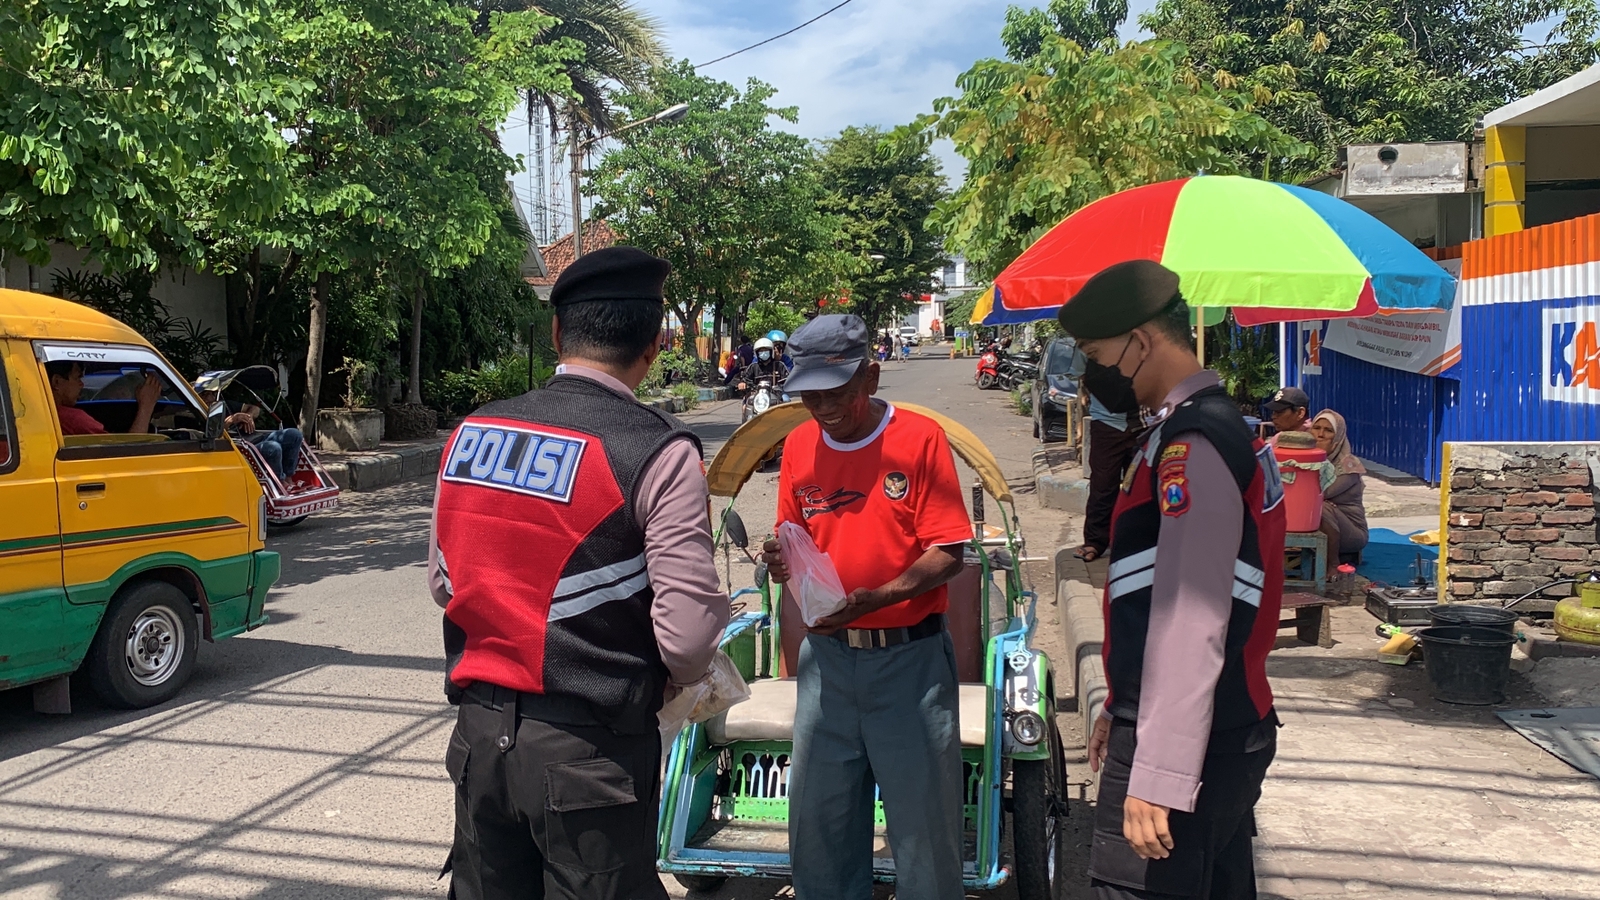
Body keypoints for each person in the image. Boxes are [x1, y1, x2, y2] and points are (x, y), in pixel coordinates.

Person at [429, 246, 731, 900]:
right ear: (656, 345)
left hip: (479, 744)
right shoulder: (658, 450)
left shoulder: (472, 432)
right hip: (590, 762)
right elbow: (686, 642)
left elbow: (444, 585)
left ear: (558, 332)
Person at [1057, 260, 1286, 900]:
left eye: (1098, 354)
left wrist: (1156, 771)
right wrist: (1122, 709)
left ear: (1143, 341)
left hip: (1198, 741)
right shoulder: (1197, 431)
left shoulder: (1195, 443)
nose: (1091, 376)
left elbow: (1194, 615)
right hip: (1199, 726)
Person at [760, 314, 973, 900]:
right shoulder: (799, 446)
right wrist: (780, 561)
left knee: (925, 839)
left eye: (837, 392)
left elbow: (949, 552)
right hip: (825, 665)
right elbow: (792, 540)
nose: (822, 406)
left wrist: (876, 598)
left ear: (871, 377)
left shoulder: (920, 439)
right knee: (819, 836)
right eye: (809, 394)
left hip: (910, 666)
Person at [1066, 344, 1142, 562]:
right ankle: (1095, 542)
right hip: (1107, 423)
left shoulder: (1145, 336)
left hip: (1144, 422)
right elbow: (1081, 374)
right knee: (1102, 486)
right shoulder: (1088, 341)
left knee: (1140, 486)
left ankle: (1138, 542)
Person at [200, 388, 305, 484]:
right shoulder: (199, 416)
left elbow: (255, 408)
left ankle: (289, 478)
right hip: (242, 448)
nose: (208, 397)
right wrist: (231, 420)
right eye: (203, 394)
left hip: (257, 438)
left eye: (209, 394)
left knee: (294, 434)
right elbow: (214, 436)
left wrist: (248, 416)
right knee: (273, 447)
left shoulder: (225, 405)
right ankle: (280, 482)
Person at [1309, 409, 1368, 562]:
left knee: (1321, 506)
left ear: (1338, 438)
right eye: (1316, 428)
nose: (1320, 435)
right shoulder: (1306, 460)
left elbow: (1321, 492)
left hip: (1351, 532)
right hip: (1320, 524)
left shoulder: (1349, 465)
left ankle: (1332, 564)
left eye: (1328, 430)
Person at [46, 360, 160, 436]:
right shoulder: (72, 419)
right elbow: (124, 454)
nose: (82, 384)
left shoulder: (43, 417)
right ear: (56, 382)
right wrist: (146, 406)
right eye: (77, 378)